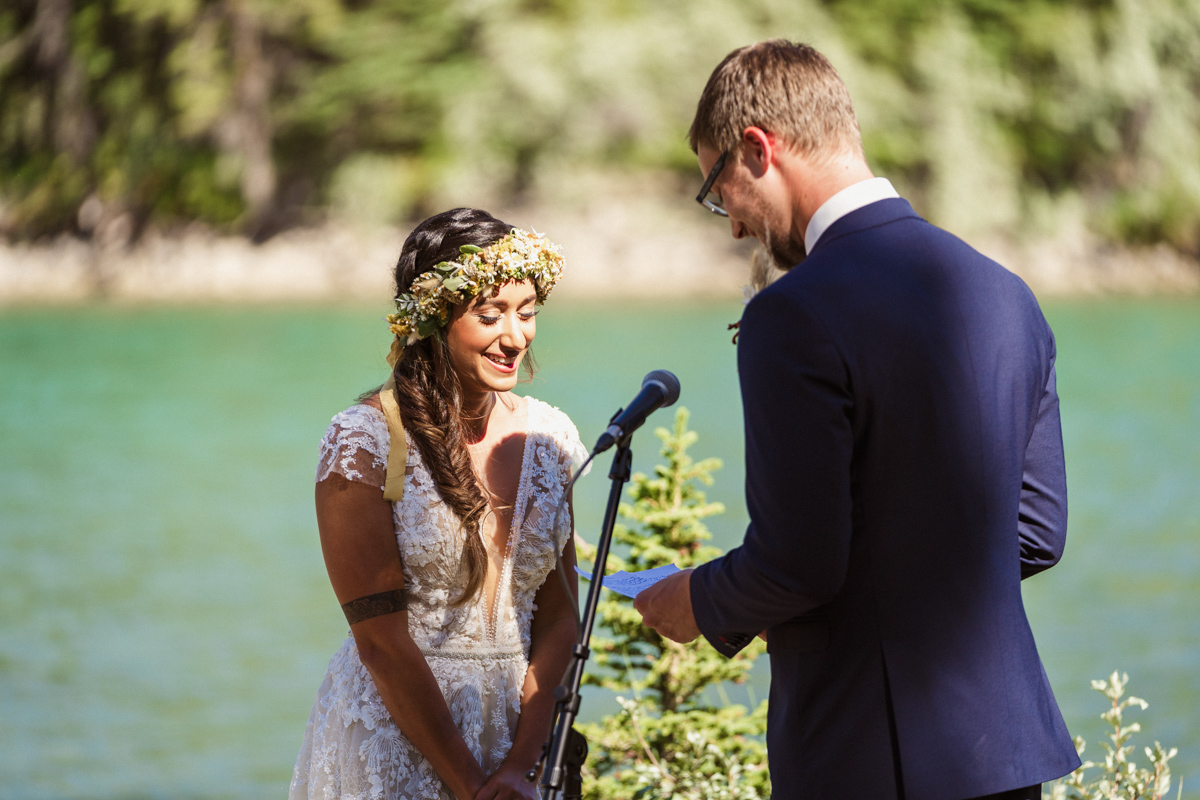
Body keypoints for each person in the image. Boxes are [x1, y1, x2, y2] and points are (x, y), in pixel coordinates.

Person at [633, 40, 1081, 800]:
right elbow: (1036, 530)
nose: (734, 228)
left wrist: (696, 602)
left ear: (757, 148)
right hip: (1007, 757)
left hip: (865, 760)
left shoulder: (792, 313)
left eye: (719, 191)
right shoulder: (1008, 293)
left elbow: (798, 562)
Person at [290, 208, 586, 800]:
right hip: (398, 739)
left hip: (518, 743)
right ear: (433, 318)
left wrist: (522, 765)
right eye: (490, 314)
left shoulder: (552, 440)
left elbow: (558, 618)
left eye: (526, 313)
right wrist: (472, 787)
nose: (515, 336)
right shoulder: (364, 442)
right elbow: (380, 642)